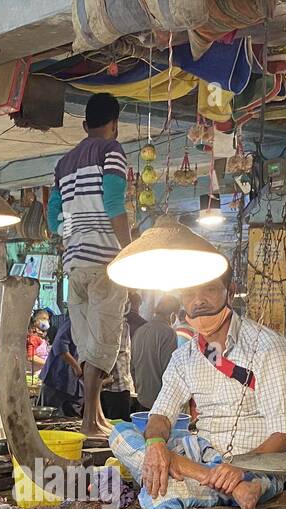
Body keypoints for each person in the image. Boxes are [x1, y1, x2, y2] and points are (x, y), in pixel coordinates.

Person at [109, 273, 286, 509]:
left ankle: (238, 483)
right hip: (200, 455)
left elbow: (283, 434)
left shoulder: (268, 345)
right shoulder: (184, 356)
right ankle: (226, 487)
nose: (198, 301)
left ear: (230, 290)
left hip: (254, 465)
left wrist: (238, 467)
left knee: (158, 498)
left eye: (208, 289)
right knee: (119, 434)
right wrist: (156, 446)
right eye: (189, 293)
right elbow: (161, 416)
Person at [49, 91, 132, 438]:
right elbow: (114, 203)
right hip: (105, 262)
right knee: (104, 342)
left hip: (75, 265)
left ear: (84, 125)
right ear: (114, 125)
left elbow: (54, 221)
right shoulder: (111, 151)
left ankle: (95, 416)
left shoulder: (64, 163)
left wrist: (76, 232)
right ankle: (88, 420)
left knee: (86, 343)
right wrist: (130, 251)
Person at [130, 294, 180, 410]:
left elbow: (132, 366)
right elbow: (169, 370)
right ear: (172, 315)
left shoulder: (140, 330)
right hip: (161, 402)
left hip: (141, 398)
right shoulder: (168, 333)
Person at [40, 314, 83, 416]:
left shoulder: (89, 325)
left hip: (76, 387)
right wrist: (76, 367)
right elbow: (60, 346)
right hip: (58, 381)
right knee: (52, 419)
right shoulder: (72, 322)